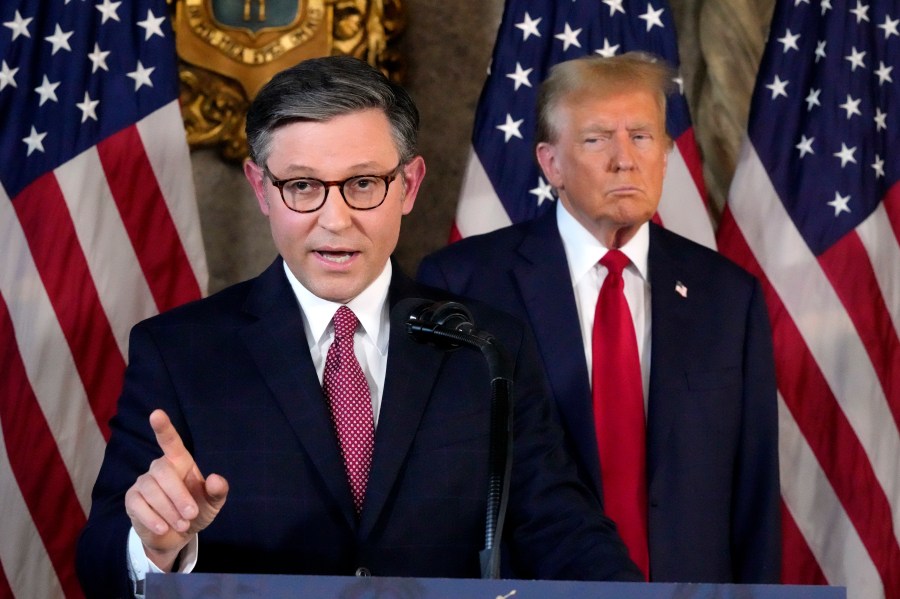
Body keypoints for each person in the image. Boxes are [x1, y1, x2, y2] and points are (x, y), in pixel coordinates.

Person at [75, 55, 642, 598]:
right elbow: (100, 564)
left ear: (409, 185)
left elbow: (561, 528)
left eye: (364, 183)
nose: (335, 218)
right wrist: (153, 546)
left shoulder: (487, 348)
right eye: (302, 186)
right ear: (260, 188)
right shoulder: (179, 352)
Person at [417, 52, 780, 583]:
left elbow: (754, 494)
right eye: (596, 139)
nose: (624, 159)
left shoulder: (728, 297)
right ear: (550, 163)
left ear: (665, 155)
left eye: (642, 136)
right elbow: (444, 489)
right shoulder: (466, 286)